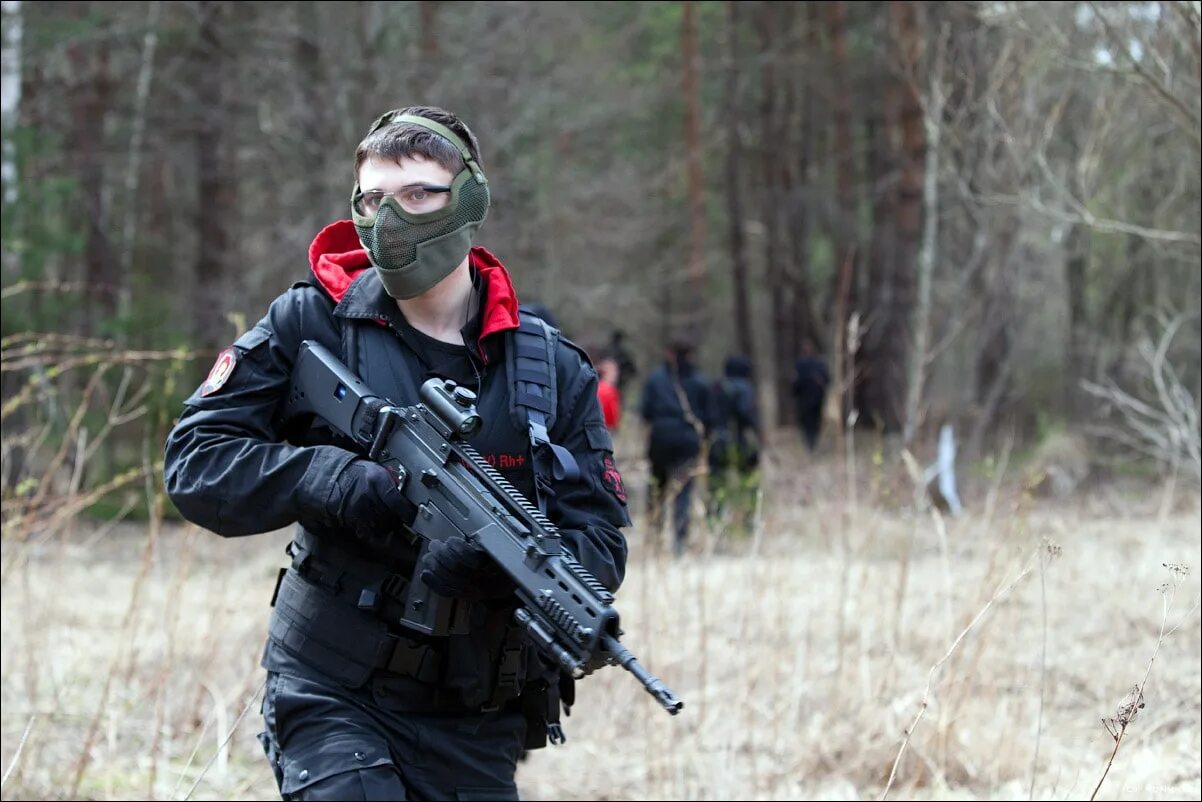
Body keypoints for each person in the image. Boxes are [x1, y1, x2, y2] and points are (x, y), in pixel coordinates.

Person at [163, 106, 630, 801]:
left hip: (476, 717)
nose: (390, 219)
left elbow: (600, 541)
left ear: (469, 201)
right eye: (372, 199)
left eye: (416, 195)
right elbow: (195, 463)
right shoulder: (312, 323)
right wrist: (329, 477)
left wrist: (495, 567)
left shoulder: (550, 370)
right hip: (334, 689)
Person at [639, 337, 715, 556]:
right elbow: (709, 418)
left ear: (669, 353)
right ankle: (678, 545)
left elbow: (646, 413)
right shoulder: (700, 382)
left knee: (657, 490)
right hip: (687, 440)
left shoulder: (655, 380)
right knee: (683, 492)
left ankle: (653, 539)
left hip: (661, 439)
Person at [707, 355, 760, 521]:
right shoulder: (745, 387)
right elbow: (745, 413)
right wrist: (755, 429)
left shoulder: (716, 386)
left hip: (716, 441)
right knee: (748, 480)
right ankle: (748, 519)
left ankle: (715, 519)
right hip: (738, 440)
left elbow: (707, 414)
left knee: (716, 483)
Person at [792, 340, 829, 452]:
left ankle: (810, 444)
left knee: (808, 422)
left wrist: (795, 392)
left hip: (807, 399)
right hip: (815, 398)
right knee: (813, 422)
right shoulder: (819, 364)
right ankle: (811, 443)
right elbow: (827, 380)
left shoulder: (801, 365)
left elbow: (795, 382)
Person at [595, 352, 622, 431]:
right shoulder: (610, 390)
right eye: (614, 371)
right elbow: (613, 415)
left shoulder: (595, 386)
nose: (616, 374)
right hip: (606, 428)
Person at [608, 329, 638, 396]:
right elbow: (633, 370)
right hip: (617, 386)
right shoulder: (623, 353)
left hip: (610, 385)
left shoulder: (605, 350)